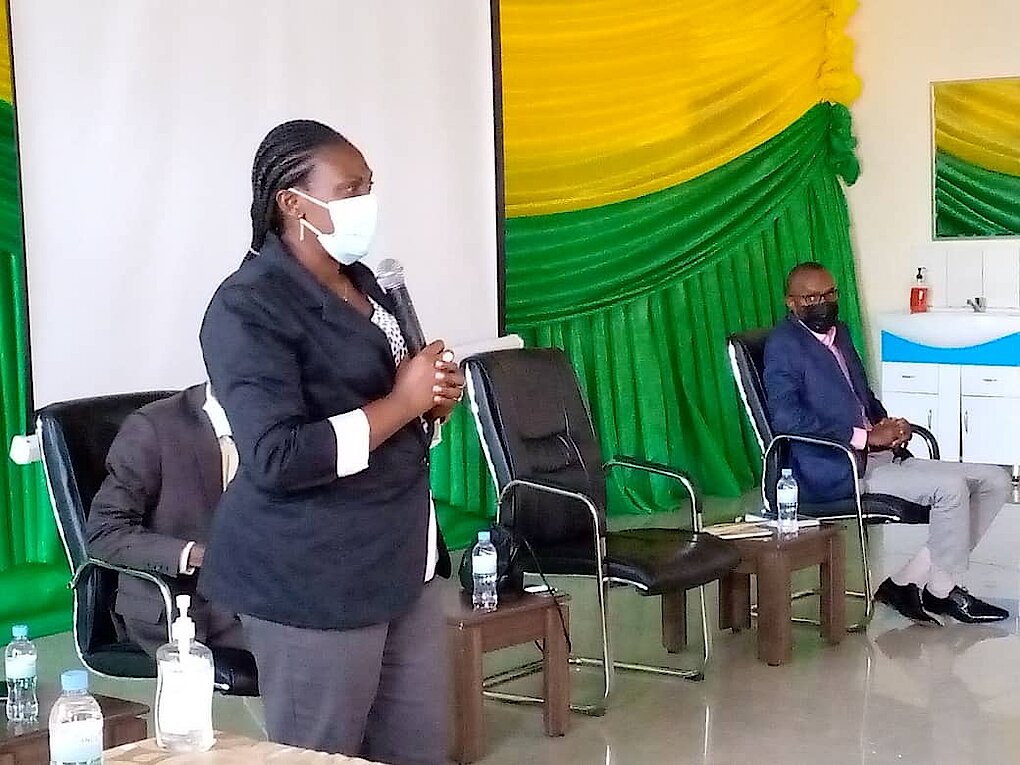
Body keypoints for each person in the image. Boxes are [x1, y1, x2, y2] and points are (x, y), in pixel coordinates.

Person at [197, 120, 460, 764]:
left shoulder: (367, 282)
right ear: (293, 203)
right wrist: (401, 403)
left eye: (369, 186)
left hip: (402, 560)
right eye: (350, 189)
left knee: (421, 748)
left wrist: (429, 407)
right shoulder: (247, 307)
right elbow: (278, 456)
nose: (367, 202)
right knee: (324, 754)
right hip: (313, 578)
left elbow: (382, 411)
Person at [764, 262, 1010, 626]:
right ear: (791, 302)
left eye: (829, 294)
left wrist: (888, 426)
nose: (822, 303)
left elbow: (861, 396)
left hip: (879, 455)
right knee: (952, 488)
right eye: (811, 298)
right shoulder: (783, 345)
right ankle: (941, 591)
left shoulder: (840, 333)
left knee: (996, 480)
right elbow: (787, 419)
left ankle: (910, 583)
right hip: (836, 466)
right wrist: (864, 437)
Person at [86, 383, 245, 656]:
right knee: (303, 651)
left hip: (260, 594)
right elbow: (105, 532)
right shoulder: (153, 428)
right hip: (181, 606)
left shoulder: (282, 425)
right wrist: (195, 554)